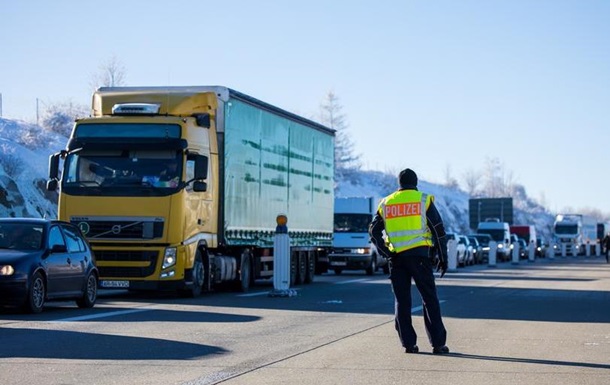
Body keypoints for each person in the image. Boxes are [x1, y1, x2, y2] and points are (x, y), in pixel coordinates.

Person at [369, 168, 450, 355]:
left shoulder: (386, 203)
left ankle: (408, 344)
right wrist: (443, 258)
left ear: (399, 183)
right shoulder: (422, 200)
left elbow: (373, 231)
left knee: (402, 301)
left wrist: (386, 252)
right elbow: (438, 230)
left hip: (396, 259)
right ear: (416, 182)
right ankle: (438, 344)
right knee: (429, 298)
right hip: (420, 257)